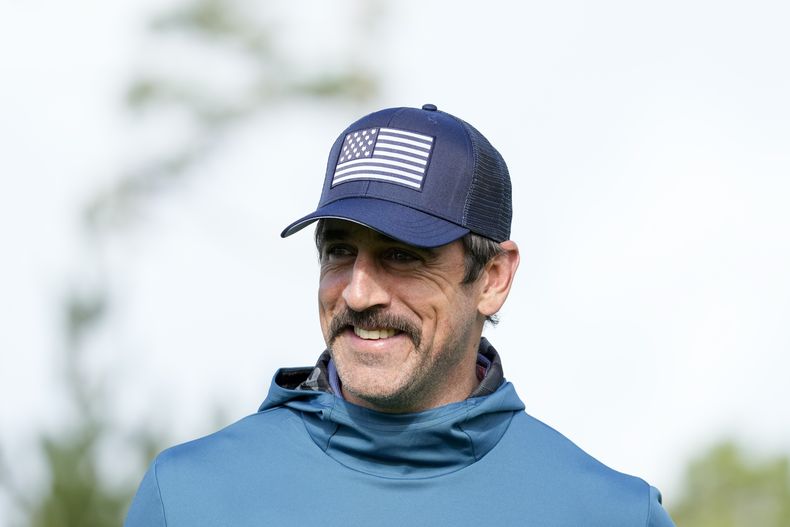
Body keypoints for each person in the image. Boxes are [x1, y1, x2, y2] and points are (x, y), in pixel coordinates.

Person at [125, 104, 676, 526]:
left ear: (493, 278)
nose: (359, 294)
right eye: (339, 250)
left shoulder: (610, 513)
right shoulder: (188, 499)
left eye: (403, 255)